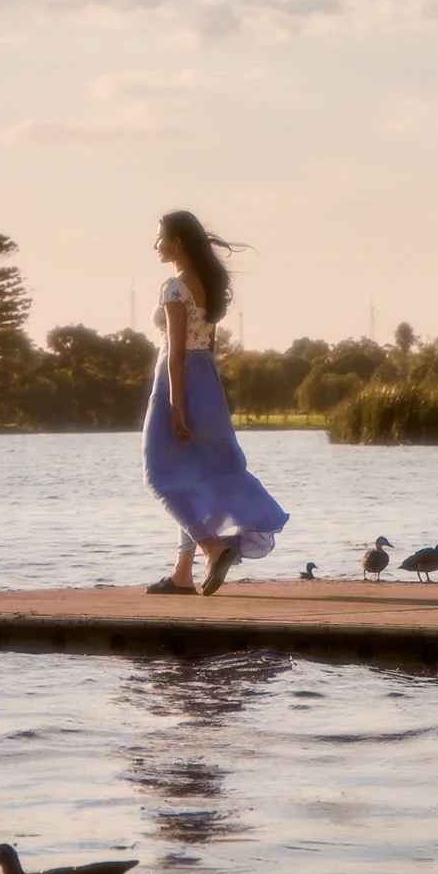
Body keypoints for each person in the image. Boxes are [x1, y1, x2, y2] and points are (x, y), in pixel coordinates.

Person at [143, 210, 288, 596]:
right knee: (196, 476)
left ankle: (212, 547)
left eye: (159, 238)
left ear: (176, 243)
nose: (155, 245)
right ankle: (181, 574)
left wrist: (175, 406)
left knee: (158, 476)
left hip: (177, 382)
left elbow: (175, 353)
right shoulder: (210, 281)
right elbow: (208, 344)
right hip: (207, 380)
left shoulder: (174, 287)